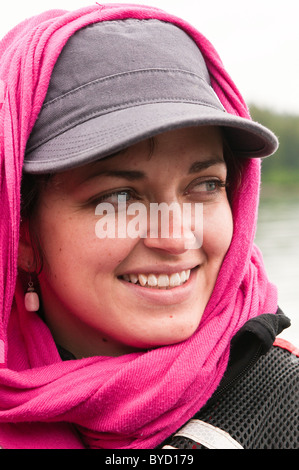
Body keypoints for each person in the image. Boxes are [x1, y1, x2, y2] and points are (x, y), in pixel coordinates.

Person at [0, 3, 297, 450]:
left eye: (206, 185)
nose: (177, 238)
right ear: (18, 230)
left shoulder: (285, 408)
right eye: (119, 198)